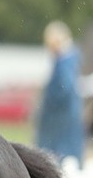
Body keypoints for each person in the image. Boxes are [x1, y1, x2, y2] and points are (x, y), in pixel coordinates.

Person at [36, 20, 85, 169]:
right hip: (66, 120)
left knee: (61, 164)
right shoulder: (71, 59)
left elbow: (64, 89)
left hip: (59, 122)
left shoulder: (64, 62)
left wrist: (49, 102)